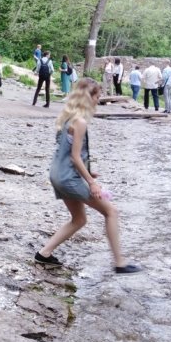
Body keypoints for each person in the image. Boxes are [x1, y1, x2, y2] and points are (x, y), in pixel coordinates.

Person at [34, 78, 141, 274]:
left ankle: (44, 254)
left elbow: (66, 153)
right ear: (87, 97)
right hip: (68, 178)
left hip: (58, 175)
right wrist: (92, 183)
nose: (98, 101)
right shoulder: (80, 122)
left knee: (79, 219)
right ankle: (120, 263)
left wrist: (88, 172)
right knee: (111, 212)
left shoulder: (67, 118)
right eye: (97, 97)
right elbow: (75, 157)